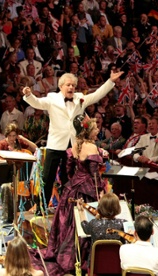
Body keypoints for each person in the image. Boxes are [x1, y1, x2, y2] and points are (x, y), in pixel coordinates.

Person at [22, 70, 123, 214]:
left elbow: (96, 95)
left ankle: (65, 207)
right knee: (47, 178)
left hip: (73, 145)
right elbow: (37, 103)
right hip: (55, 144)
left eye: (73, 85)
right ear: (61, 86)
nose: (71, 88)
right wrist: (28, 95)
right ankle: (41, 208)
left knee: (68, 178)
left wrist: (111, 81)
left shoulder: (79, 98)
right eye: (68, 85)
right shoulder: (52, 98)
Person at [41, 115, 108, 274]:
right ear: (89, 130)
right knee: (85, 221)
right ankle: (83, 257)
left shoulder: (75, 145)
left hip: (73, 187)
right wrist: (101, 192)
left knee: (68, 222)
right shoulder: (91, 148)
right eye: (95, 127)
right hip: (87, 189)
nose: (98, 129)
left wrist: (75, 183)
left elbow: (69, 171)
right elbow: (95, 175)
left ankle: (64, 254)